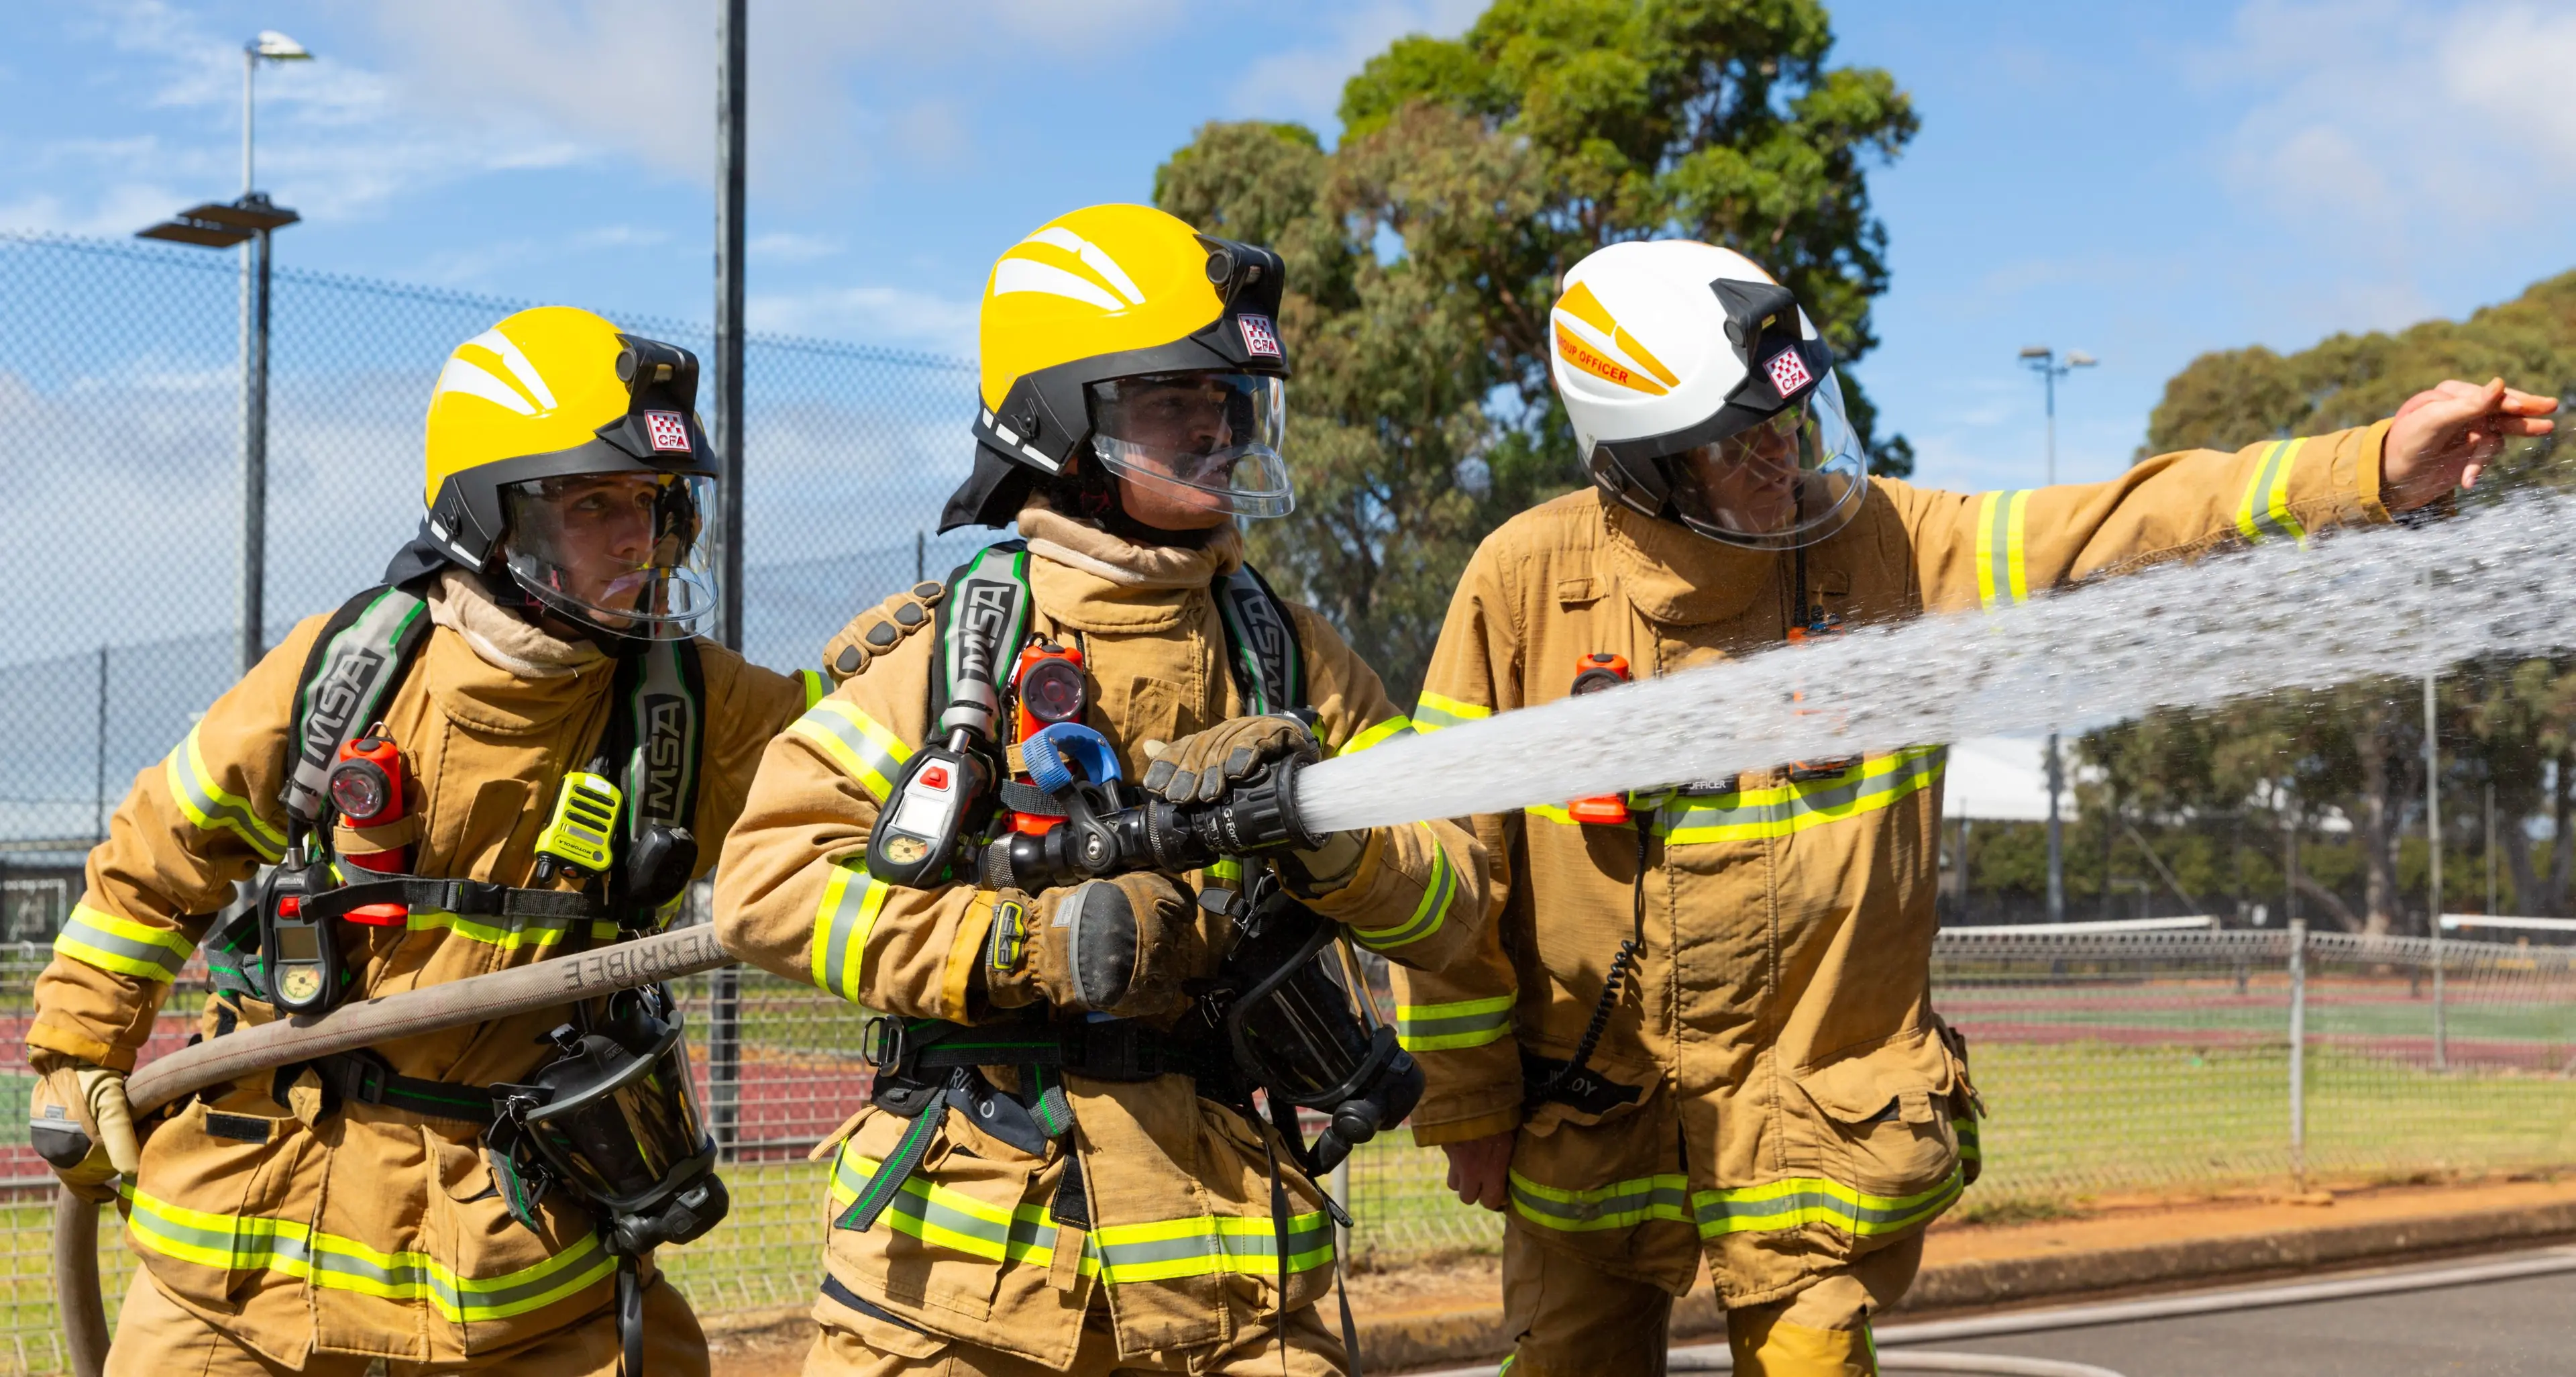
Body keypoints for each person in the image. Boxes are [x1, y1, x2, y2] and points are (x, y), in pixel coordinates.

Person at [1393, 239, 2555, 1377]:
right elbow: (1450, 868)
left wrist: (2367, 469)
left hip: (1816, 1132)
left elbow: (2118, 525)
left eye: (1793, 423)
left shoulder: (1891, 550)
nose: (1785, 460)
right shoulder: (1523, 583)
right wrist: (1470, 1099)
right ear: (1643, 463)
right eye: (1745, 444)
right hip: (1593, 1131)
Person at [713, 203, 1487, 1377]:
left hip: (1242, 1292)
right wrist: (1024, 944)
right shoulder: (954, 651)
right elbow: (765, 887)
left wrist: (1335, 845)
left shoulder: (1291, 654)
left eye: (1228, 400)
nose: (1219, 428)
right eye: (1175, 401)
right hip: (957, 1303)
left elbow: (1460, 897)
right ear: (1067, 429)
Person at [26, 305, 821, 1377]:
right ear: (492, 519)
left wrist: (921, 658)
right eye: (595, 504)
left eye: (652, 503)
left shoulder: (690, 709)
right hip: (243, 1282)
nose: (639, 539)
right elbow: (155, 861)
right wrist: (77, 1054)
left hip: (534, 1291)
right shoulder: (346, 676)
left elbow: (861, 771)